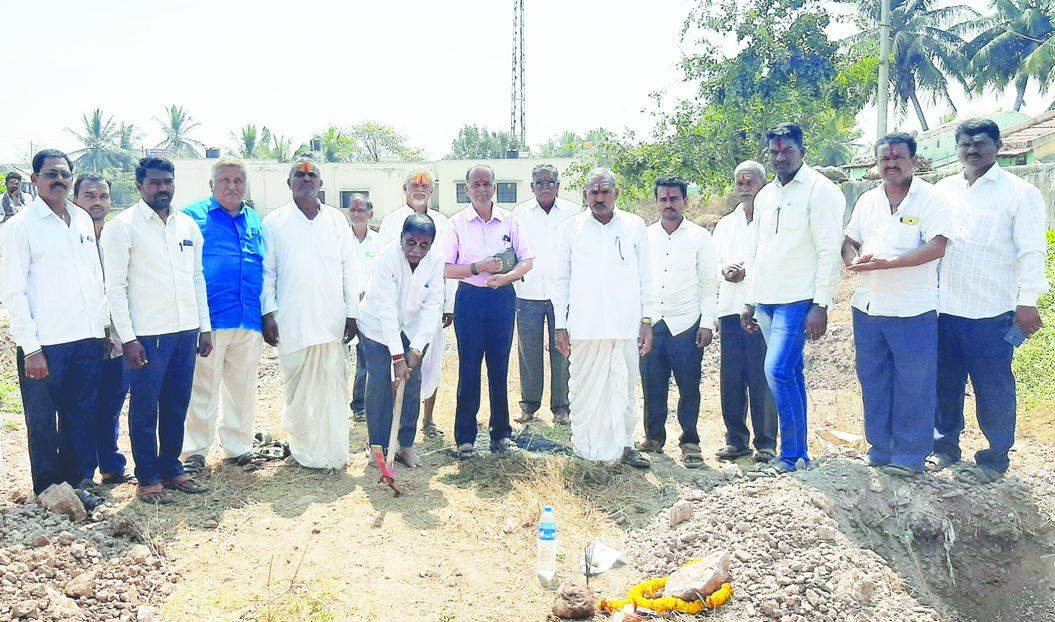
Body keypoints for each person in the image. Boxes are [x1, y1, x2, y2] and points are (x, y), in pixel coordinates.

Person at [931, 118, 1049, 484]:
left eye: (980, 143)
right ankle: (944, 449)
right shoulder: (942, 189)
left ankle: (995, 458)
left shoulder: (1019, 192)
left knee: (993, 386)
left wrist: (1027, 302)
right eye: (964, 143)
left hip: (992, 312)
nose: (972, 149)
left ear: (997, 146)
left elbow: (1032, 251)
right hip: (942, 309)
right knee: (944, 385)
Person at [842, 132, 953, 477]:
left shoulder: (931, 199)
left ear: (914, 160)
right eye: (884, 159)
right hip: (869, 307)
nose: (891, 164)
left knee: (914, 384)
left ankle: (909, 456)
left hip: (912, 310)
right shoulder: (867, 201)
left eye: (898, 158)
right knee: (873, 380)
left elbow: (937, 246)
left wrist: (889, 264)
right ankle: (880, 449)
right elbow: (849, 242)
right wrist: (854, 259)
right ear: (877, 164)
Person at [104, 157, 213, 504]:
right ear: (140, 186)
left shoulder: (186, 226)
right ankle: (148, 477)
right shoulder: (123, 227)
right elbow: (115, 288)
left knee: (177, 404)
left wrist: (204, 328)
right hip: (148, 337)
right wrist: (129, 338)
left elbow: (197, 278)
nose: (162, 188)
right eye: (154, 182)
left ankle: (171, 468)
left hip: (185, 333)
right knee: (145, 408)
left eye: (167, 181)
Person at [0, 150, 106, 507]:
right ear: (35, 180)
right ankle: (48, 490)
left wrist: (103, 328)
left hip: (86, 339)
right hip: (45, 345)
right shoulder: (19, 227)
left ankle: (79, 484)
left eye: (64, 174)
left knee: (81, 414)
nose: (58, 179)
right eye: (50, 174)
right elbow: (12, 292)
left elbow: (95, 278)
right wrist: (30, 348)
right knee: (44, 421)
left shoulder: (79, 219)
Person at [741, 123, 844, 477]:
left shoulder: (821, 191)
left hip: (799, 300)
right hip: (767, 298)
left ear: (802, 151)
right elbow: (756, 249)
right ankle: (799, 455)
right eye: (774, 152)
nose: (780, 157)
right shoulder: (766, 195)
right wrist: (750, 300)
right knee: (792, 374)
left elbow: (830, 250)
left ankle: (789, 455)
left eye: (787, 150)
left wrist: (822, 304)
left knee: (777, 370)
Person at [261, 158, 360, 471]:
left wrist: (352, 313)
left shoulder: (336, 220)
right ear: (289, 182)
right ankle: (302, 450)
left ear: (320, 183)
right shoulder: (274, 222)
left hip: (332, 322)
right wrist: (267, 314)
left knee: (333, 388)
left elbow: (350, 267)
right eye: (299, 175)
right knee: (296, 390)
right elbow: (267, 273)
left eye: (311, 175)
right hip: (291, 322)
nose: (306, 179)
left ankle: (332, 452)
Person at [553, 167, 653, 466]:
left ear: (616, 193)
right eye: (593, 191)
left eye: (604, 190)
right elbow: (561, 281)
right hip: (584, 326)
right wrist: (560, 325)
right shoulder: (571, 228)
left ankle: (625, 444)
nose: (599, 197)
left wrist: (646, 321)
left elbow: (646, 280)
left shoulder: (635, 226)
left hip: (625, 325)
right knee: (583, 390)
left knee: (624, 387)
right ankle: (586, 450)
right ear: (585, 195)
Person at [437, 164, 534, 460]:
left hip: (502, 297)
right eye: (475, 184)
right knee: (468, 369)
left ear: (494, 187)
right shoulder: (457, 224)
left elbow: (527, 260)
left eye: (486, 183)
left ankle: (501, 434)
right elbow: (442, 267)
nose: (481, 188)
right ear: (466, 190)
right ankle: (465, 438)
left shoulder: (510, 221)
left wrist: (505, 277)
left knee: (499, 368)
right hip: (470, 299)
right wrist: (477, 268)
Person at [180, 157, 265, 475]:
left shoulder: (254, 219)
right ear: (212, 184)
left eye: (238, 180)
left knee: (242, 388)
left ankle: (239, 447)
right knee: (202, 389)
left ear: (245, 184)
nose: (232, 186)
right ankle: (194, 452)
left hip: (248, 318)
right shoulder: (192, 217)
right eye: (225, 180)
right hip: (210, 321)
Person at [639, 177, 718, 468]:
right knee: (652, 384)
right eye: (663, 199)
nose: (669, 204)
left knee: (689, 387)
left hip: (687, 323)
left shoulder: (700, 237)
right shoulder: (644, 236)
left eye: (674, 199)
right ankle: (654, 437)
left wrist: (707, 323)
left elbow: (709, 284)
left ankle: (690, 441)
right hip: (652, 324)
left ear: (685, 201)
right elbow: (639, 282)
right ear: (657, 202)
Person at [358, 213, 444, 468]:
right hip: (376, 327)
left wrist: (415, 350)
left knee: (412, 383)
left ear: (431, 244)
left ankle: (404, 445)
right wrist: (397, 358)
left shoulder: (437, 261)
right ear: (401, 239)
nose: (417, 250)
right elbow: (386, 311)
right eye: (411, 243)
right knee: (380, 384)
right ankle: (379, 447)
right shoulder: (386, 258)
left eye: (423, 245)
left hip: (413, 329)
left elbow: (433, 306)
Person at [377, 168, 454, 440]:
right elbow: (384, 263)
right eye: (414, 184)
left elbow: (445, 265)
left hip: (429, 304)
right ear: (405, 188)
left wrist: (448, 304)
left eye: (425, 186)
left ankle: (428, 419)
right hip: (394, 305)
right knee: (395, 367)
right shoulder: (390, 221)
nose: (420, 189)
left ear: (432, 191)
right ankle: (391, 428)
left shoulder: (444, 222)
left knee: (429, 364)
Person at [713, 162, 778, 463]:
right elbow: (712, 264)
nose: (744, 188)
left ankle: (766, 443)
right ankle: (736, 440)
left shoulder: (775, 220)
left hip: (762, 309)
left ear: (764, 184)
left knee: (761, 376)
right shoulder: (725, 224)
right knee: (732, 378)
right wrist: (725, 269)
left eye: (749, 182)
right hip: (729, 310)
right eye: (739, 183)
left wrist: (746, 271)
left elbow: (777, 262)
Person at [72, 172, 134, 485]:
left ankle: (111, 467)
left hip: (120, 338)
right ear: (75, 199)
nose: (97, 202)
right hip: (82, 338)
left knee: (110, 406)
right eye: (90, 196)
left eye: (103, 196)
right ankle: (82, 473)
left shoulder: (119, 235)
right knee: (82, 406)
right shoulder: (69, 238)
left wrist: (118, 330)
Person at [511, 164, 579, 426]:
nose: (545, 186)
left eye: (551, 181)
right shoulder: (520, 213)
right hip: (528, 292)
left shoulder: (572, 213)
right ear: (532, 187)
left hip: (563, 294)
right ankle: (529, 405)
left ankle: (562, 407)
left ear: (559, 186)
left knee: (562, 350)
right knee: (528, 351)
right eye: (539, 182)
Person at [346, 193, 377, 424]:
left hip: (368, 306)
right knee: (338, 358)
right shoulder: (340, 238)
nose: (357, 214)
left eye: (362, 210)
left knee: (365, 358)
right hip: (343, 306)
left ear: (370, 214)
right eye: (353, 210)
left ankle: (360, 405)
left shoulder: (378, 242)